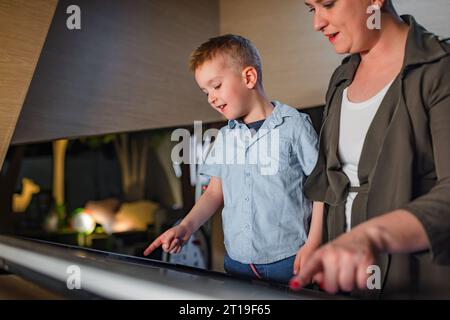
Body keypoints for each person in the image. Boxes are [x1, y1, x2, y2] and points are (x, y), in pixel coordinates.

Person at [289, 0, 450, 298]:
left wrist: (372, 236)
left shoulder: (440, 68)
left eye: (328, 4)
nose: (318, 23)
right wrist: (315, 242)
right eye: (313, 9)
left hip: (414, 280)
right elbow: (328, 176)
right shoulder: (340, 79)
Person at [144, 34, 323, 284]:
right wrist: (185, 228)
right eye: (205, 92)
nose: (211, 98)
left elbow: (320, 189)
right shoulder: (225, 137)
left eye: (216, 86)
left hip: (290, 259)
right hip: (238, 263)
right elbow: (214, 193)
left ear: (248, 77)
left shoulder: (294, 125)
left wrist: (313, 243)